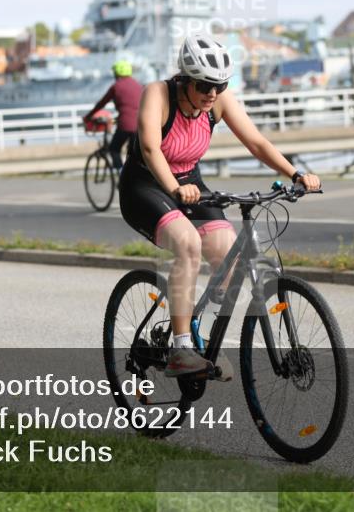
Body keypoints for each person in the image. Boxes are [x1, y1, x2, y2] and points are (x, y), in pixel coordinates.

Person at [119, 33, 321, 377]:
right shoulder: (158, 94)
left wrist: (295, 173)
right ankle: (181, 350)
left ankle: (199, 338)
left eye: (220, 85)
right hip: (145, 185)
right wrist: (173, 188)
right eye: (204, 85)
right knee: (188, 244)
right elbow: (151, 148)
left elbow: (256, 142)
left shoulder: (218, 102)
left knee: (230, 257)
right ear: (184, 79)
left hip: (190, 184)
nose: (212, 93)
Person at [82, 60, 143, 171]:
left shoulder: (116, 86)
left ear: (117, 73)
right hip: (140, 125)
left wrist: (88, 116)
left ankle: (121, 175)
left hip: (125, 124)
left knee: (114, 149)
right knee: (134, 153)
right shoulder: (138, 85)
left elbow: (102, 103)